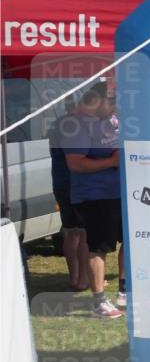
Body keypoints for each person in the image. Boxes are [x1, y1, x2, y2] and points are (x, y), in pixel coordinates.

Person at [63, 85, 124, 319]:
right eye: (111, 102)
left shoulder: (111, 120)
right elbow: (75, 163)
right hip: (94, 195)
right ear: (96, 100)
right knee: (99, 246)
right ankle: (98, 301)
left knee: (127, 241)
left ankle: (124, 290)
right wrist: (111, 162)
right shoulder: (76, 125)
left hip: (118, 192)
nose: (115, 107)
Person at [48, 99, 90, 292]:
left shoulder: (57, 125)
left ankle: (74, 278)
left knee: (70, 232)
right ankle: (83, 279)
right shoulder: (77, 126)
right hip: (76, 183)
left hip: (60, 182)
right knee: (83, 234)